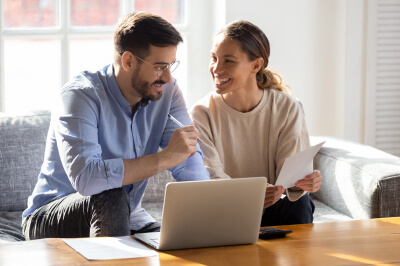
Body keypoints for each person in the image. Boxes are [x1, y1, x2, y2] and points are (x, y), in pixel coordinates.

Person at [22, 12, 209, 240]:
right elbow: (87, 178)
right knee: (110, 195)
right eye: (160, 66)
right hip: (50, 215)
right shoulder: (80, 96)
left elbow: (188, 159)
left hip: (129, 217)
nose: (168, 77)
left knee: (182, 243)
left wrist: (207, 212)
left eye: (171, 65)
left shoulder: (167, 92)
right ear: (128, 61)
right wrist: (164, 158)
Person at [190, 20, 322, 226]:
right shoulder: (201, 113)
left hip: (276, 206)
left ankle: (298, 258)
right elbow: (210, 178)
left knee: (299, 203)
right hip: (226, 209)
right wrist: (251, 196)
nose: (216, 68)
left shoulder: (287, 107)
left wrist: (303, 183)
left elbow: (290, 179)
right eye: (214, 58)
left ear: (256, 65)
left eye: (228, 61)